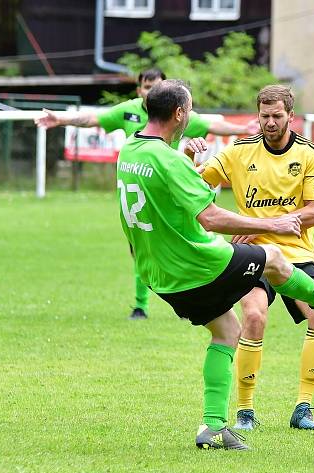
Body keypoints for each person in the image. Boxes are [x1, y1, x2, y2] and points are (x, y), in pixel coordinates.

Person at [116, 79, 314, 450]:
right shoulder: (173, 160)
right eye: (192, 110)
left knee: (226, 331)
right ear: (180, 114)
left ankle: (213, 427)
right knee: (271, 259)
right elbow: (211, 218)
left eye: (276, 115)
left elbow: (174, 193)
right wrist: (271, 225)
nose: (269, 121)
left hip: (158, 275)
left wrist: (184, 158)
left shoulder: (130, 151)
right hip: (198, 263)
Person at [36, 68, 259, 321]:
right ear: (139, 90)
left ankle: (189, 293)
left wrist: (242, 128)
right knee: (145, 252)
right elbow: (94, 120)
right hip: (144, 191)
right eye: (146, 87)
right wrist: (61, 120)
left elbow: (211, 124)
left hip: (174, 194)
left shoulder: (178, 114)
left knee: (179, 247)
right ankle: (143, 305)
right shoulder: (129, 111)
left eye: (156, 86)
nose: (150, 91)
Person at [194, 85, 314, 431]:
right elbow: (195, 186)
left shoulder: (311, 153)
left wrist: (259, 225)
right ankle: (245, 411)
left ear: (290, 115)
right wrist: (188, 157)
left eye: (277, 116)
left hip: (297, 253)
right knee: (254, 316)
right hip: (253, 253)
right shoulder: (238, 152)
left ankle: (304, 406)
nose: (270, 122)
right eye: (264, 116)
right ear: (257, 115)